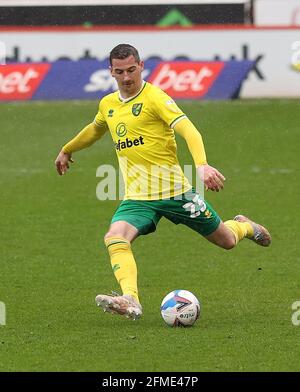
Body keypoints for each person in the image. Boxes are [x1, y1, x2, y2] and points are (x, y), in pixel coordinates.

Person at [55, 44, 271, 321]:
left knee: (227, 241)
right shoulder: (108, 104)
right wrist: (67, 149)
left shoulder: (155, 97)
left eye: (131, 70)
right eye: (119, 72)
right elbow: (95, 129)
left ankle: (243, 225)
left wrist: (201, 165)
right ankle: (130, 298)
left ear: (141, 66)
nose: (126, 77)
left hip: (176, 193)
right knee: (115, 237)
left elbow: (187, 129)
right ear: (111, 71)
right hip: (138, 198)